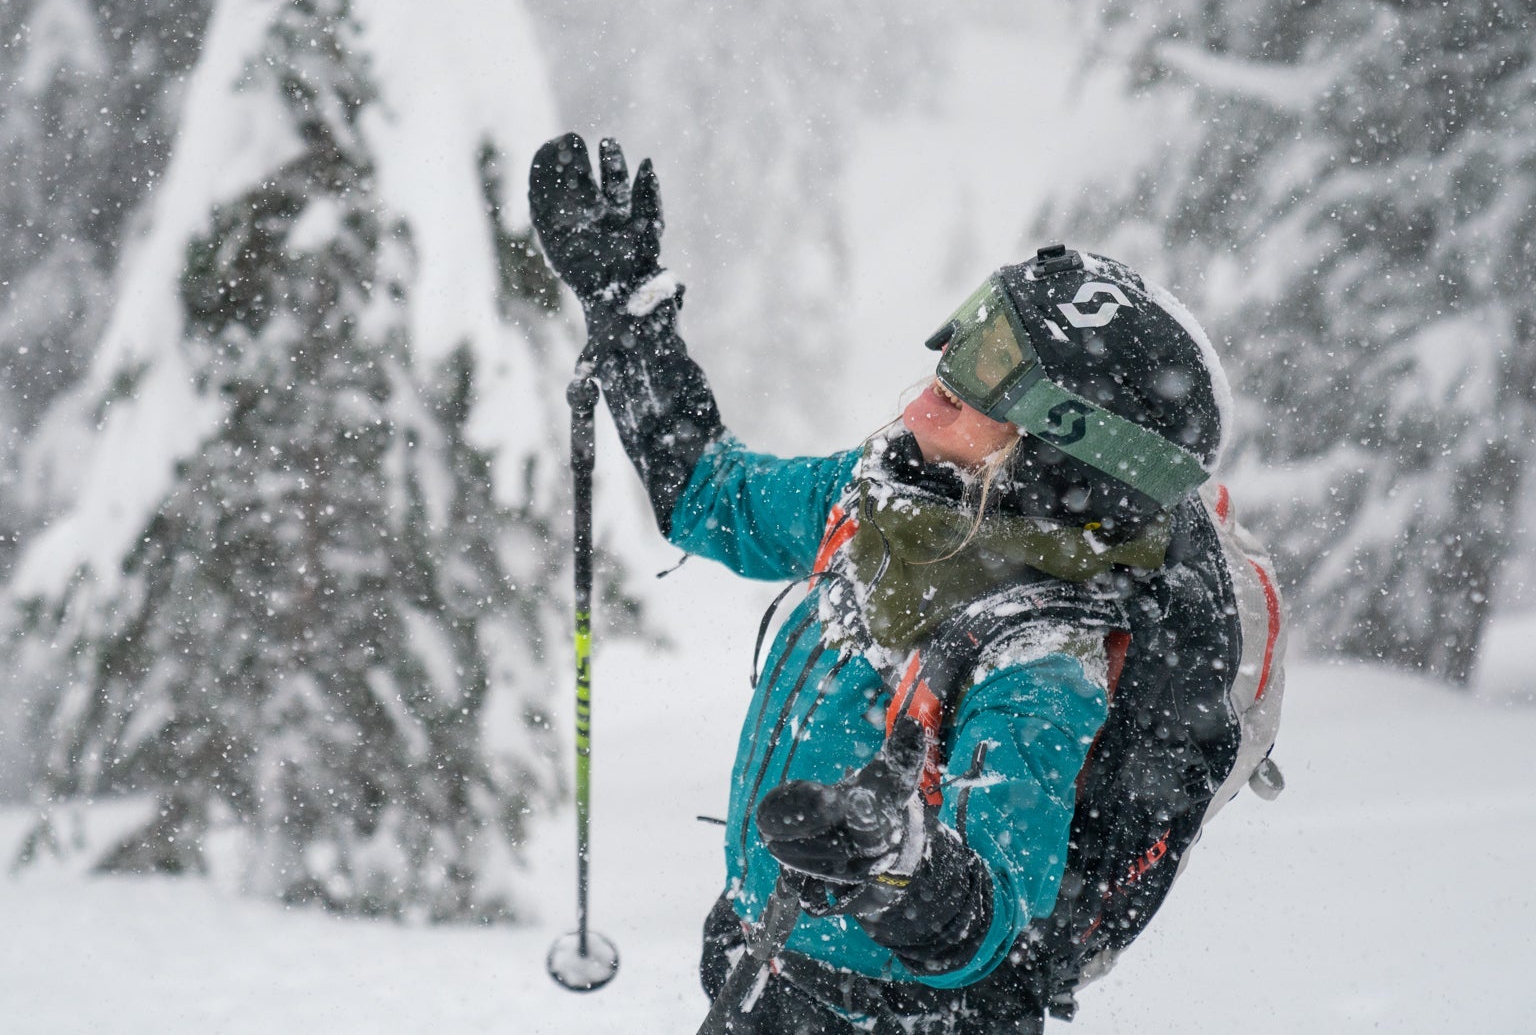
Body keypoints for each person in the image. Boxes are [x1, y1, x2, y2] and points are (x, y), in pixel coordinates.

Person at [528, 135, 1257, 1034]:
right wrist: (625, 316)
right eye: (947, 366)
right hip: (769, 966)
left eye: (966, 399)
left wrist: (894, 859)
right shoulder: (889, 498)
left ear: (1060, 456)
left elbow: (995, 916)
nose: (916, 408)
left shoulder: (1041, 649)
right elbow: (707, 494)